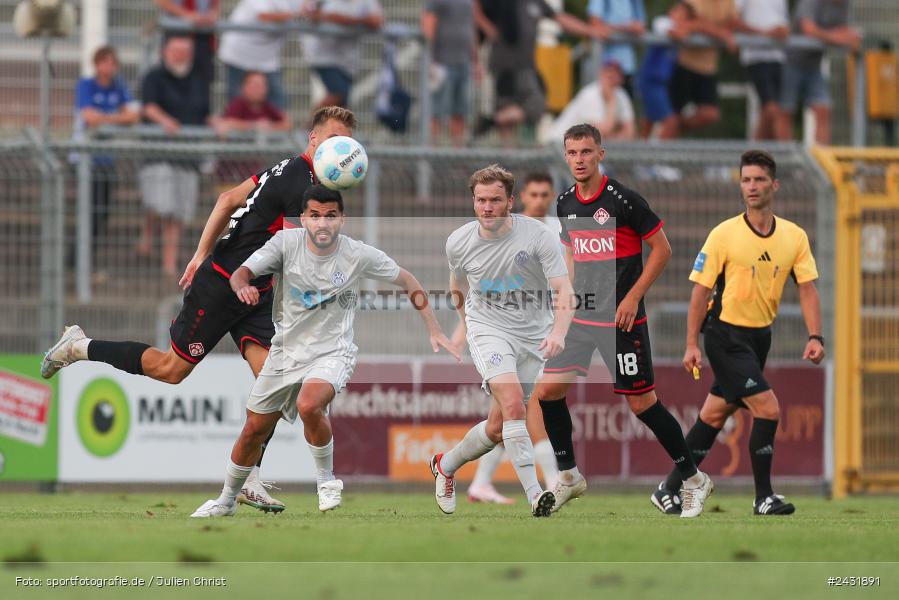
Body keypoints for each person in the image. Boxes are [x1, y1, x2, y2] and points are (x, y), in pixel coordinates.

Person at [40, 106, 359, 514]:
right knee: (170, 370)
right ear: (313, 140)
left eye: (345, 145)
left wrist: (199, 253)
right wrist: (204, 261)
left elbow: (228, 199)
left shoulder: (289, 170)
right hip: (223, 286)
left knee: (273, 384)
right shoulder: (301, 181)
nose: (339, 150)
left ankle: (250, 480)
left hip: (255, 291)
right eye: (332, 141)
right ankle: (79, 345)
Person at [191, 184, 459, 517]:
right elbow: (242, 272)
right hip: (285, 353)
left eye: (330, 216)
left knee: (309, 404)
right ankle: (227, 501)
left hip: (333, 352)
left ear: (342, 219)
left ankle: (326, 481)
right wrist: (242, 284)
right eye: (315, 216)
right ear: (303, 218)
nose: (322, 224)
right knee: (253, 430)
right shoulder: (285, 244)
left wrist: (434, 328)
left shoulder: (356, 253)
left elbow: (408, 281)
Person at [534, 123, 713, 518]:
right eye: (572, 153)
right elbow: (571, 257)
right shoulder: (565, 202)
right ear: (565, 157)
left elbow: (662, 250)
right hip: (582, 317)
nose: (579, 160)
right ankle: (568, 477)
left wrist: (633, 297)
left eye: (586, 152)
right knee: (548, 392)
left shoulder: (624, 201)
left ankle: (694, 480)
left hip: (621, 319)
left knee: (642, 404)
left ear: (602, 153)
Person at [652, 149, 824, 516]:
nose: (752, 186)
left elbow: (807, 287)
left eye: (759, 179)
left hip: (760, 337)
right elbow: (700, 291)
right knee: (769, 409)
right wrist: (690, 344)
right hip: (725, 337)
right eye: (746, 179)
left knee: (713, 416)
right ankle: (763, 496)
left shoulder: (794, 236)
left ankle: (667, 488)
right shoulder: (724, 234)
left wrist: (815, 336)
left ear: (774, 185)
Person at [430, 165, 575, 517]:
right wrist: (467, 327)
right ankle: (535, 495)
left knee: (498, 427)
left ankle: (445, 465)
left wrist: (558, 332)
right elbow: (457, 286)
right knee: (514, 406)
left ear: (510, 201)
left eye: (495, 200)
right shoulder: (459, 241)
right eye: (481, 200)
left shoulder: (538, 235)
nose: (488, 207)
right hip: (489, 330)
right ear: (473, 201)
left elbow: (564, 289)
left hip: (532, 334)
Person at [465, 171, 562, 505]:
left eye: (545, 195)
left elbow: (566, 281)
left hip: (542, 328)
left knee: (503, 418)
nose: (539, 200)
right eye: (533, 194)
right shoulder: (502, 233)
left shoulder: (554, 232)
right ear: (521, 198)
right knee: (520, 404)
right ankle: (550, 481)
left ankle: (475, 479)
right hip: (509, 332)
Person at [137, 35, 210, 277]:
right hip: (159, 154)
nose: (181, 56)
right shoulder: (153, 77)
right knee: (163, 206)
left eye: (185, 51)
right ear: (165, 52)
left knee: (176, 212)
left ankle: (169, 265)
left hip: (187, 157)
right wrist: (165, 121)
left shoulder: (198, 80)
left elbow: (204, 114)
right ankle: (149, 236)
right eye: (176, 51)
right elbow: (148, 106)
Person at [475, 0, 596, 144]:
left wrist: (589, 31)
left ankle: (492, 120)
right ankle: (507, 159)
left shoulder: (536, 3)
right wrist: (487, 28)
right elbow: (475, 8)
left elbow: (561, 18)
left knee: (537, 106)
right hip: (504, 66)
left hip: (527, 66)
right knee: (507, 113)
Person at [72, 46, 140, 267]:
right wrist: (115, 117)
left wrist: (105, 119)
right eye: (104, 62)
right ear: (96, 64)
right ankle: (77, 261)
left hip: (105, 160)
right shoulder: (86, 85)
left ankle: (83, 262)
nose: (108, 67)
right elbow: (89, 117)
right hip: (85, 160)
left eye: (112, 62)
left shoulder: (118, 86)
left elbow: (133, 115)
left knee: (102, 213)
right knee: (88, 213)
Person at [779, 0, 860, 145]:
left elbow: (848, 33)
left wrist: (826, 35)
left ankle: (821, 161)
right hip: (789, 62)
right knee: (785, 112)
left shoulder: (845, 4)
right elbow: (808, 29)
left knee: (823, 110)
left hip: (813, 66)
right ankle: (785, 161)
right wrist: (833, 37)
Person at [659, 0, 738, 139]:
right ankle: (655, 155)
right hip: (684, 64)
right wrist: (720, 33)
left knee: (709, 114)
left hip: (709, 66)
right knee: (672, 117)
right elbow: (692, 20)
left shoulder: (728, 2)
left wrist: (702, 28)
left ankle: (665, 135)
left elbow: (732, 23)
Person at [218, 0, 302, 111]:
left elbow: (310, 11)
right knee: (237, 104)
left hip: (267, 58)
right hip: (238, 56)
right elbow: (264, 16)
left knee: (278, 102)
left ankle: (271, 128)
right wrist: (299, 14)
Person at [302, 0, 384, 113]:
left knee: (341, 105)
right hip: (324, 56)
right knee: (338, 93)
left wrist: (345, 20)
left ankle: (324, 128)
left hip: (348, 61)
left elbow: (377, 21)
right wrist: (357, 21)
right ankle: (310, 127)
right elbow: (313, 15)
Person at [422, 0, 478, 146]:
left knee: (460, 112)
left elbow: (472, 26)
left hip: (464, 62)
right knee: (436, 113)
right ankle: (430, 160)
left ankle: (456, 158)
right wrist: (431, 60)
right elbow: (428, 23)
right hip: (442, 63)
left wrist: (476, 61)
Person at [543, 58, 636, 144]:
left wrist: (615, 140)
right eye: (608, 73)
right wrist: (612, 101)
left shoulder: (621, 95)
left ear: (621, 78)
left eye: (615, 74)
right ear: (601, 75)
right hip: (558, 144)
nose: (611, 77)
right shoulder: (590, 94)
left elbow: (630, 132)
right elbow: (601, 132)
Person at [735, 0, 790, 140]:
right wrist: (765, 34)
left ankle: (756, 156)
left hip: (779, 57)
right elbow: (734, 21)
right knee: (772, 109)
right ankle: (787, 156)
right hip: (756, 56)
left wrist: (783, 31)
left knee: (774, 112)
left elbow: (783, 23)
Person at [154, 1, 219, 105]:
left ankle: (198, 117)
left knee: (202, 81)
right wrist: (186, 15)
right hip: (176, 30)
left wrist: (213, 14)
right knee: (173, 79)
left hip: (203, 34)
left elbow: (214, 6)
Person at [586, 0, 646, 98]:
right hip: (606, 69)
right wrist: (625, 27)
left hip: (628, 69)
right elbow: (594, 24)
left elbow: (642, 26)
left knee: (623, 109)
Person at [211, 71, 292, 136]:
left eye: (263, 85)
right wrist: (254, 126)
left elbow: (286, 124)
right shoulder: (237, 105)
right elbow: (225, 122)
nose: (259, 90)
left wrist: (270, 126)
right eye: (255, 86)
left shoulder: (268, 106)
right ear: (244, 87)